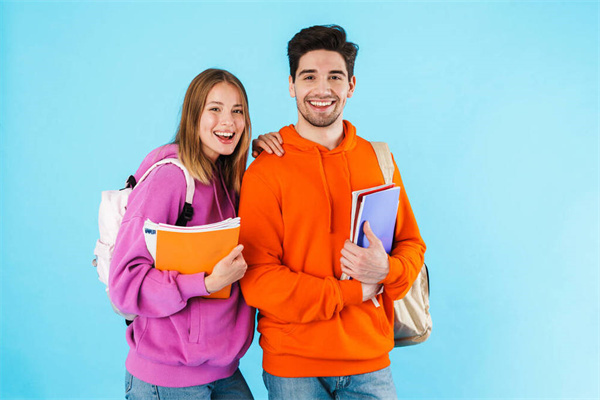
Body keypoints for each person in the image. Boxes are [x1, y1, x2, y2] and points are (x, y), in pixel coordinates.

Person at [238, 25, 427, 399]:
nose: (322, 89)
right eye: (309, 77)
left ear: (351, 86)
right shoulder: (265, 170)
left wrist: (386, 270)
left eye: (334, 77)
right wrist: (353, 292)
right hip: (293, 367)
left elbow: (412, 246)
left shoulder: (379, 159)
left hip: (370, 361)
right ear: (291, 85)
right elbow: (258, 280)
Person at [109, 68, 279, 399]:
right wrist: (206, 283)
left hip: (225, 371)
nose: (227, 122)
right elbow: (125, 286)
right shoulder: (169, 180)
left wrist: (264, 158)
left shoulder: (230, 181)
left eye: (237, 111)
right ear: (193, 115)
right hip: (167, 379)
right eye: (214, 109)